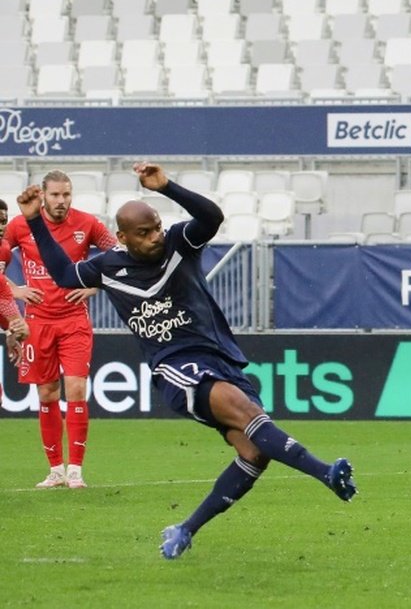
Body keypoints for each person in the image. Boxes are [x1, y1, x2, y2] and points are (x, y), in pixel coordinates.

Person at [16, 162, 356, 560]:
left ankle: (185, 529)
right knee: (247, 412)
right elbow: (61, 273)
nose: (156, 237)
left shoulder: (179, 243)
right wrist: (35, 221)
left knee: (254, 453)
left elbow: (212, 217)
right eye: (144, 233)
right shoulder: (108, 267)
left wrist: (166, 187)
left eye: (157, 227)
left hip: (219, 358)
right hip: (175, 367)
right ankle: (326, 473)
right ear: (122, 238)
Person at [5, 170, 118, 489]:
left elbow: (120, 259)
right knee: (46, 392)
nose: (61, 201)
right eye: (55, 195)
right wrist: (15, 291)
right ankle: (55, 469)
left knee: (77, 389)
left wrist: (94, 286)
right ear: (42, 196)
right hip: (37, 322)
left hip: (74, 321)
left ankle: (75, 470)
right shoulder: (19, 225)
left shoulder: (88, 224)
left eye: (66, 194)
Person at [0, 198, 31, 407]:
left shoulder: (4, 250)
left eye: (3, 221)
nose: (1, 226)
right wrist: (15, 322)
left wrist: (11, 329)